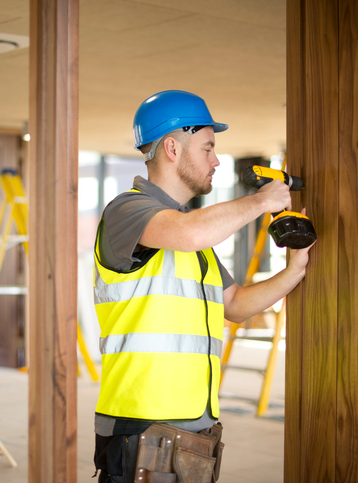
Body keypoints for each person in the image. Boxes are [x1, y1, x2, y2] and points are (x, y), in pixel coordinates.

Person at [92, 90, 314, 482]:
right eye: (208, 148)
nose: (215, 161)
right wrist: (261, 202)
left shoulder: (192, 241)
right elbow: (192, 232)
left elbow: (237, 305)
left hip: (195, 430)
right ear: (173, 148)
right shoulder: (127, 211)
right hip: (141, 427)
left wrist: (295, 268)